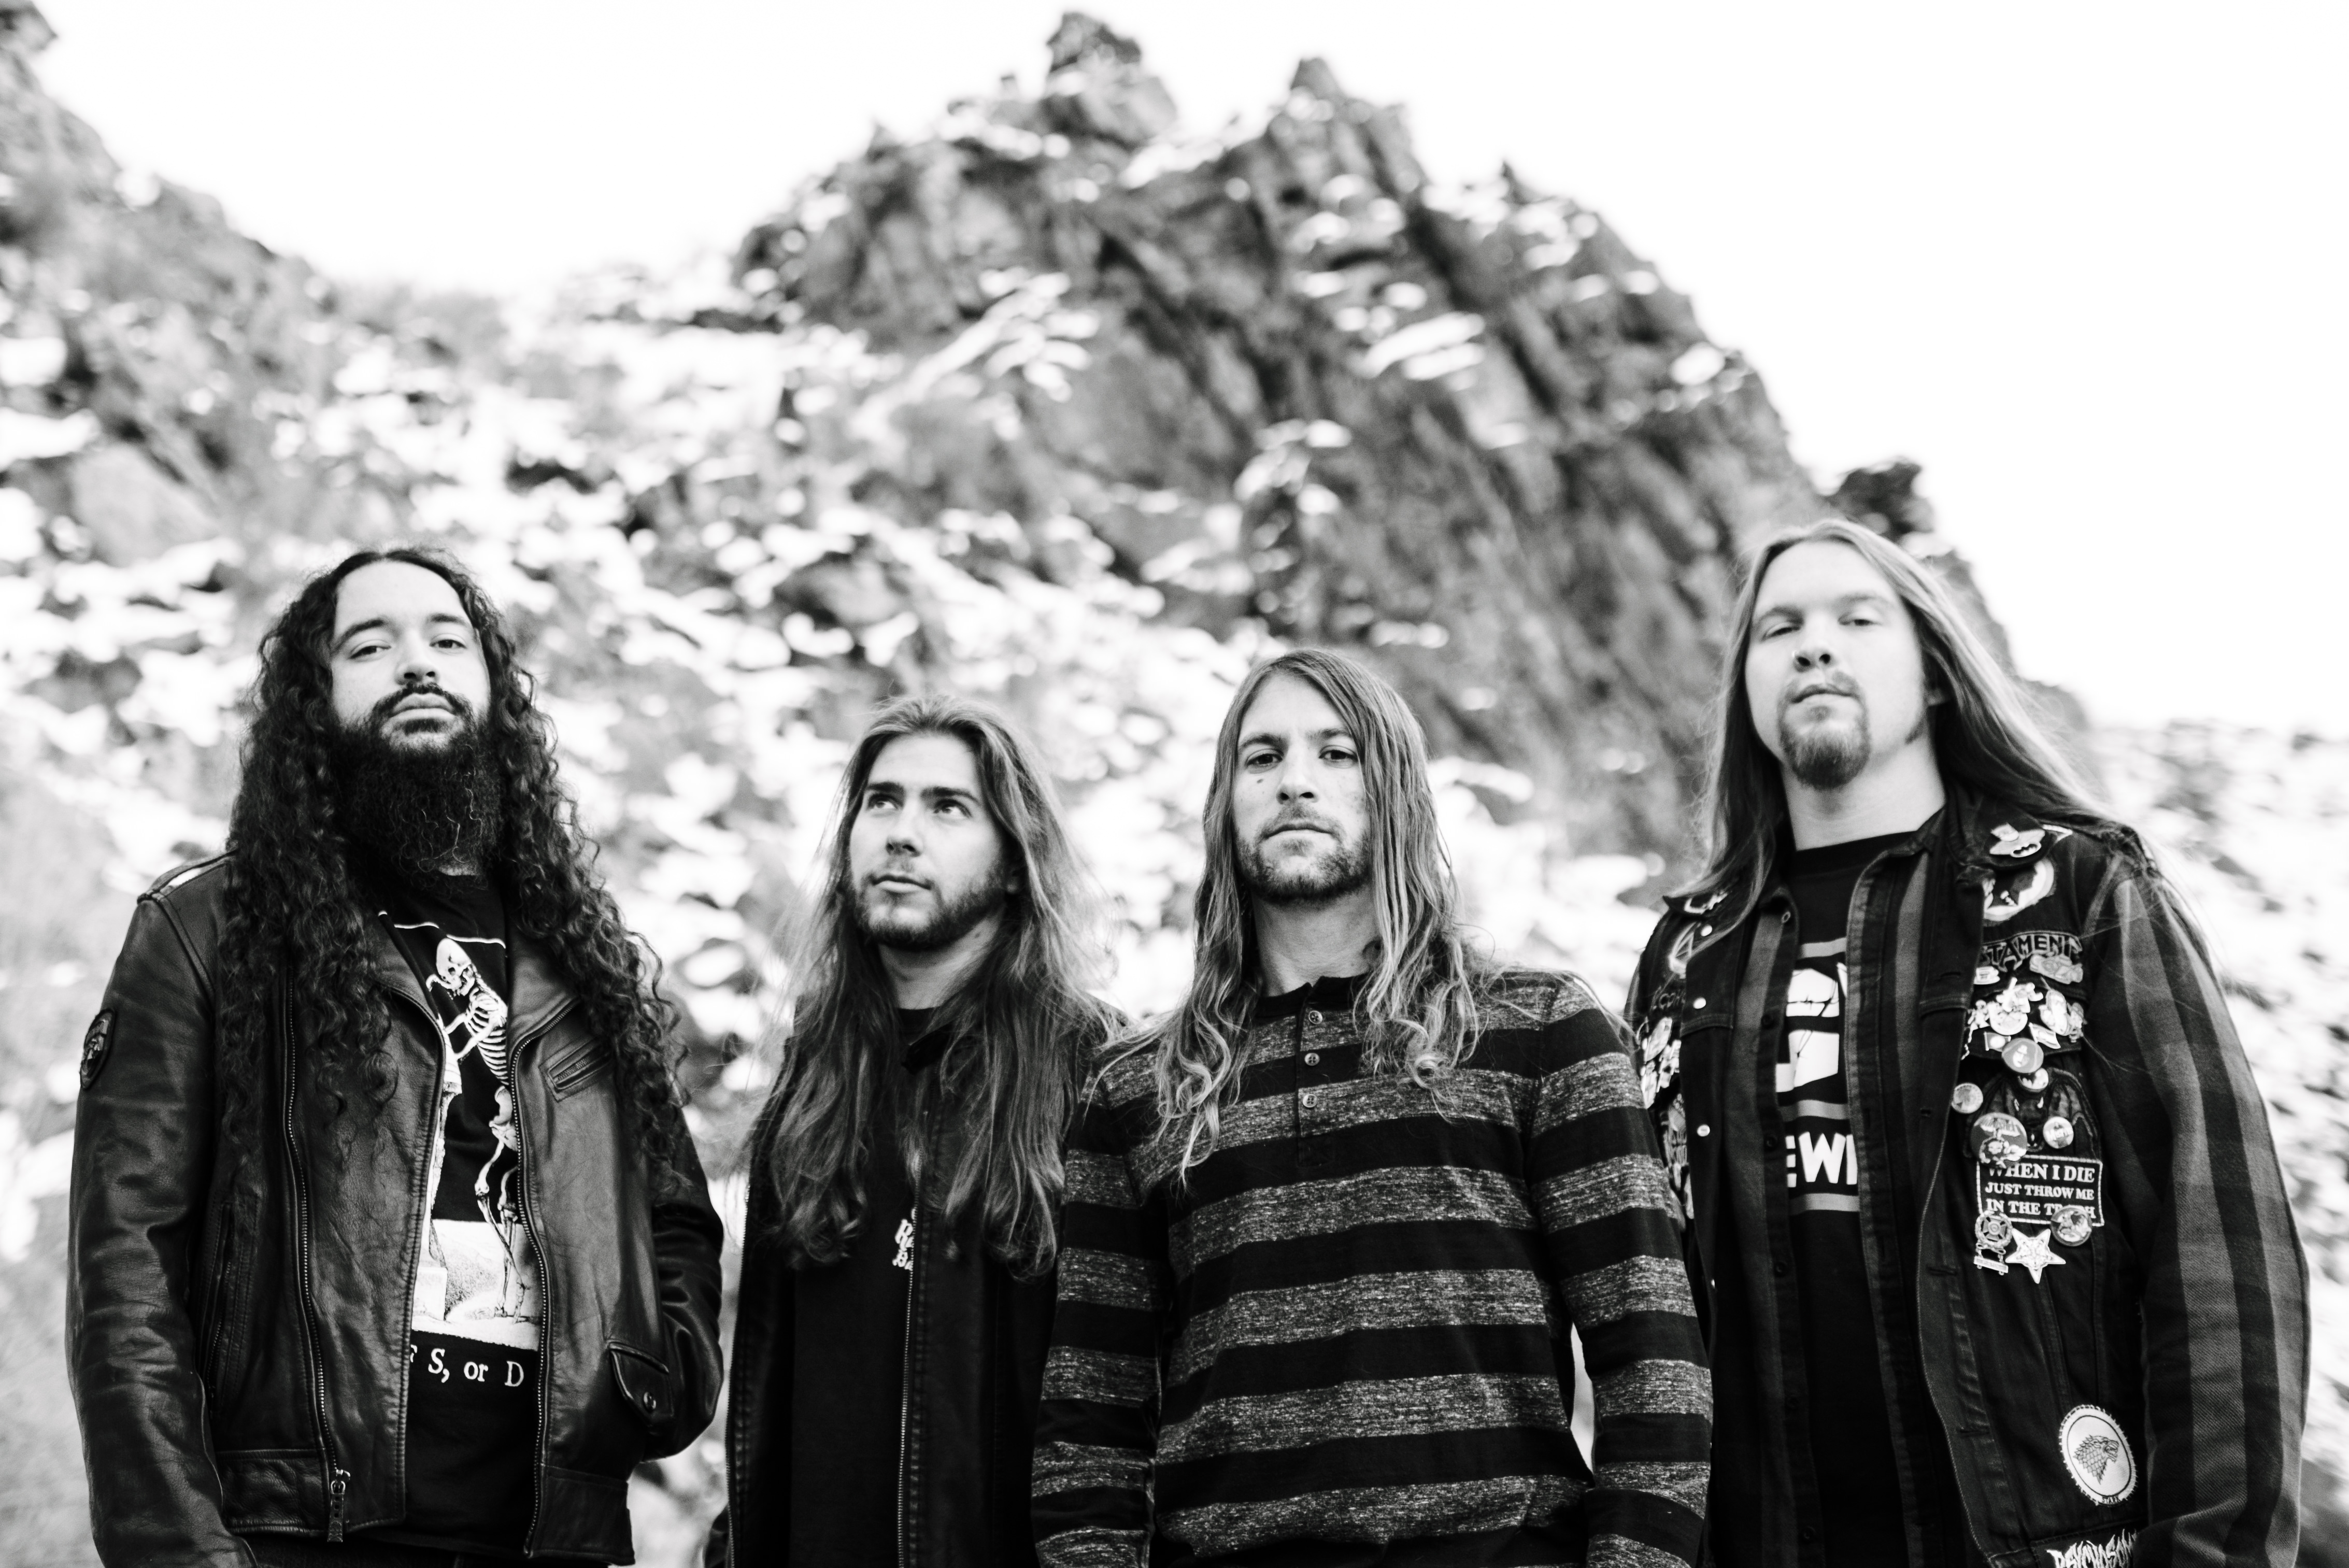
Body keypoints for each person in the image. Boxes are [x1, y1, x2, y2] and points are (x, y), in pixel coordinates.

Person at [1627, 518, 2307, 1567]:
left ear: (1936, 673)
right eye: (1778, 629)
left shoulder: (2078, 894)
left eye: (1857, 619)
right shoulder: (1686, 953)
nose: (1814, 645)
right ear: (1747, 692)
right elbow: (1645, 1302)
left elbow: (2219, 1253)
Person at [68, 548, 725, 1567]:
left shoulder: (583, 960)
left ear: (495, 692)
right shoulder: (210, 929)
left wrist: (646, 1375)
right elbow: (125, 1272)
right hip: (297, 1530)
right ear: (314, 702)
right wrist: (180, 1550)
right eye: (369, 646)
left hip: (554, 1538)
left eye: (447, 640)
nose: (417, 662)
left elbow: (673, 1217)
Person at [1034, 648, 1710, 1568]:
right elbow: (1090, 1425)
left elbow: (1653, 1363)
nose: (1295, 781)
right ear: (1224, 804)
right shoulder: (1136, 1087)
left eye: (1336, 752)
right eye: (1262, 756)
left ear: (1395, 791)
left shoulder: (1541, 1030)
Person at [709, 694, 1121, 1568]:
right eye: (882, 801)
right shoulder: (814, 1078)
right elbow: (766, 1405)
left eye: (948, 807)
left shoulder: (1093, 1077)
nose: (902, 833)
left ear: (1014, 863)